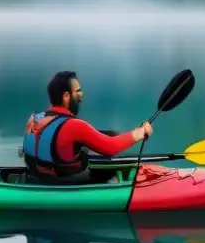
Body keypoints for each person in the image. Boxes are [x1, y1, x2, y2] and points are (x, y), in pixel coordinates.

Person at [22, 70, 152, 182]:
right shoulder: (74, 125)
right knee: (111, 163)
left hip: (37, 174)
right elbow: (111, 148)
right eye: (78, 91)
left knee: (110, 135)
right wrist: (140, 133)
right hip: (65, 180)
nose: (82, 95)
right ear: (66, 96)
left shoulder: (35, 118)